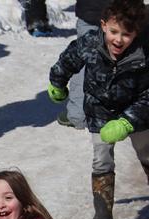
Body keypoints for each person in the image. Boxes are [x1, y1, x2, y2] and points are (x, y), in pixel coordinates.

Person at [48, 0, 149, 219]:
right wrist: (57, 82)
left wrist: (126, 123)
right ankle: (103, 217)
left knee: (146, 151)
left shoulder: (144, 59)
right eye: (114, 32)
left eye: (126, 35)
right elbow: (68, 59)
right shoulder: (90, 43)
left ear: (136, 33)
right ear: (103, 25)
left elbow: (148, 96)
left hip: (133, 113)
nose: (118, 39)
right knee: (101, 159)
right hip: (100, 109)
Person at [56, 0, 110, 129]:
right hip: (125, 10)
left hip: (91, 10)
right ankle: (123, 114)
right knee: (123, 57)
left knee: (84, 61)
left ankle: (78, 114)